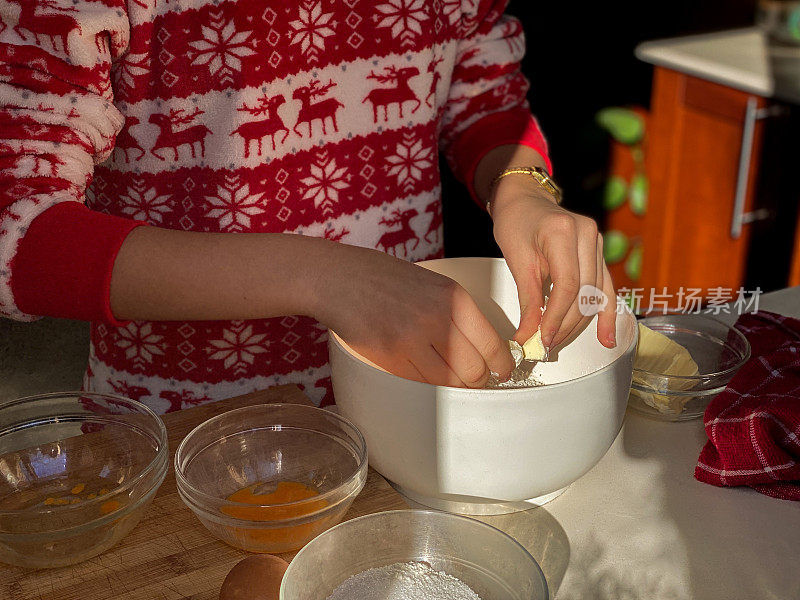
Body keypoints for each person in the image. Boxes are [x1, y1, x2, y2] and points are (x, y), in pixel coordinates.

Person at [0, 0, 616, 411]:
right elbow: (19, 233)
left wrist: (524, 190)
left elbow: (483, 94)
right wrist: (326, 277)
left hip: (407, 396)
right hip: (189, 422)